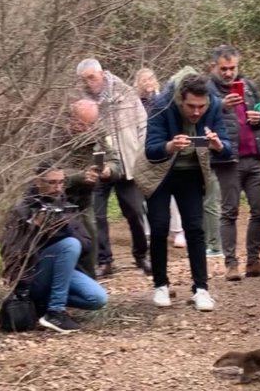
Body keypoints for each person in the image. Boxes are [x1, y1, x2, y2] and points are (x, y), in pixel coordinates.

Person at [133, 69, 232, 311]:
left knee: (195, 228)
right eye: (191, 107)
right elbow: (151, 149)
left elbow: (229, 147)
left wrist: (219, 145)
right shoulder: (160, 105)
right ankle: (161, 285)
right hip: (160, 173)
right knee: (158, 226)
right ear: (180, 100)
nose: (196, 112)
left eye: (201, 106)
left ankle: (201, 289)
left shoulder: (214, 106)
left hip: (191, 172)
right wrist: (170, 145)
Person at [1, 163, 108, 333]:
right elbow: (9, 254)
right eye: (52, 183)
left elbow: (87, 245)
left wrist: (65, 228)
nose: (58, 188)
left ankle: (45, 303)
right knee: (69, 245)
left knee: (97, 298)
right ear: (38, 182)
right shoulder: (22, 209)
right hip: (32, 274)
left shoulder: (65, 206)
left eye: (61, 182)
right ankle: (55, 312)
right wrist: (35, 230)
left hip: (61, 270)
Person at [207, 45, 260, 280]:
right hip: (228, 160)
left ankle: (253, 261)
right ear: (214, 67)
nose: (229, 73)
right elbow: (198, 118)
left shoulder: (248, 86)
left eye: (232, 68)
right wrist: (221, 106)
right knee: (230, 211)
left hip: (255, 156)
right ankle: (231, 264)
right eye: (224, 69)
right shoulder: (208, 90)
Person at [77, 58, 151, 277]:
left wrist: (141, 153)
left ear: (102, 73)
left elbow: (143, 124)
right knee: (97, 215)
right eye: (85, 79)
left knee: (136, 212)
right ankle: (105, 260)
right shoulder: (82, 101)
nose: (90, 82)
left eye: (92, 77)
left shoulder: (125, 92)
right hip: (98, 164)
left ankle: (141, 256)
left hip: (127, 162)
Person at [60, 98, 120, 277]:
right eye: (84, 124)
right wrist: (79, 176)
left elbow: (114, 159)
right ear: (72, 119)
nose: (89, 129)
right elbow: (46, 170)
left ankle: (89, 282)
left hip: (83, 199)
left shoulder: (98, 133)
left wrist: (110, 170)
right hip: (57, 199)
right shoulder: (54, 134)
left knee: (90, 236)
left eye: (92, 124)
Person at [134, 68, 187, 249]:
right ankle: (148, 232)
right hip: (143, 149)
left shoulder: (164, 100)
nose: (147, 83)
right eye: (144, 80)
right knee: (146, 192)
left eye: (150, 79)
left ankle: (178, 230)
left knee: (171, 193)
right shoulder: (135, 103)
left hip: (167, 149)